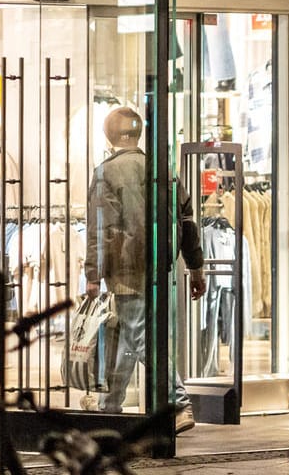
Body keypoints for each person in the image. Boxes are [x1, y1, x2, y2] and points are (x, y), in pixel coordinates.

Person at [84, 106, 207, 424]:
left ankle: (177, 402)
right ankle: (108, 408)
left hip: (126, 270)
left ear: (108, 136)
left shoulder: (105, 172)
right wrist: (196, 268)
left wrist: (93, 273)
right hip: (161, 269)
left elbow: (102, 228)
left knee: (138, 337)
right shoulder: (163, 169)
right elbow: (186, 221)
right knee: (125, 335)